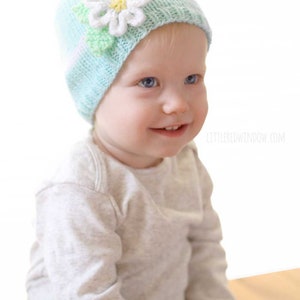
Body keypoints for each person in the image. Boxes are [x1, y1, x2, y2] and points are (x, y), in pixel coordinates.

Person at [26, 0, 235, 299]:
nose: (178, 103)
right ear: (95, 93)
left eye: (192, 79)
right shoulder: (80, 187)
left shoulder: (186, 160)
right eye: (148, 82)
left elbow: (205, 248)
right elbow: (89, 292)